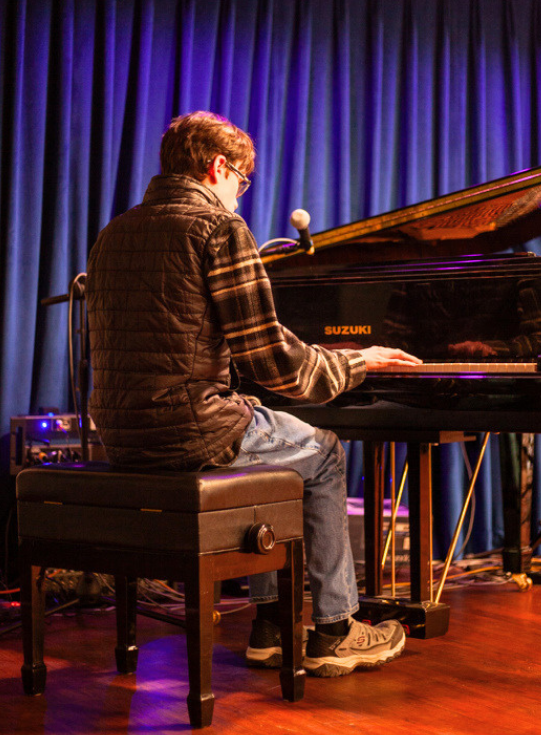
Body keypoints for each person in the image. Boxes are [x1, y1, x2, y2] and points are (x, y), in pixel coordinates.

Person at [85, 111, 421, 678]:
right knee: (323, 452)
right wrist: (354, 362)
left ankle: (271, 627)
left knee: (270, 449)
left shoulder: (114, 232)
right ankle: (336, 630)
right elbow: (274, 362)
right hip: (192, 429)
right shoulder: (218, 228)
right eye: (241, 182)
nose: (239, 196)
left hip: (121, 436)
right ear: (219, 167)